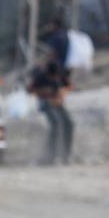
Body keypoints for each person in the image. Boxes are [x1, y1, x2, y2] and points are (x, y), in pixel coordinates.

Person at [28, 16, 74, 165]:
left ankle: (65, 155)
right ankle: (51, 155)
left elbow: (69, 86)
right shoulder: (42, 74)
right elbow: (30, 89)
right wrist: (45, 93)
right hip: (46, 103)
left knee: (69, 123)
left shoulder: (58, 72)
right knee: (55, 124)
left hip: (57, 103)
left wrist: (61, 93)